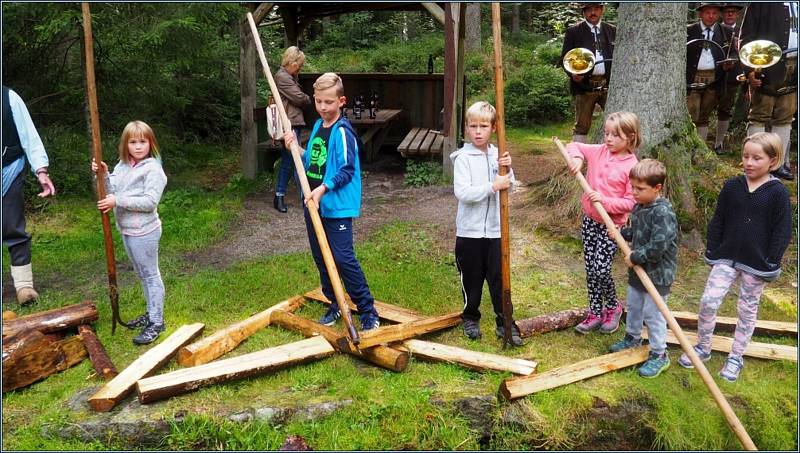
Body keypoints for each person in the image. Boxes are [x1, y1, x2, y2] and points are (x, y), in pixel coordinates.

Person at [677, 132, 792, 382]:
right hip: (725, 257)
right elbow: (718, 219)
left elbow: (782, 230)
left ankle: (736, 356)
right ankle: (703, 347)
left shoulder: (777, 193)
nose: (749, 162)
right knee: (708, 301)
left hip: (757, 263)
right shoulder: (732, 187)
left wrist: (772, 261)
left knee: (747, 310)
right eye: (745, 156)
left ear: (772, 161)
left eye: (757, 158)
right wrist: (713, 248)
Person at [283, 73, 380, 331]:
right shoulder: (317, 127)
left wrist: (323, 189)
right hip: (313, 203)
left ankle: (368, 310)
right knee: (321, 256)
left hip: (335, 205)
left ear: (341, 101)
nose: (323, 107)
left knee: (342, 257)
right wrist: (295, 148)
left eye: (328, 102)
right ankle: (335, 301)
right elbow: (313, 163)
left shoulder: (343, 132)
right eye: (318, 102)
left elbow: (347, 170)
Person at [449, 101, 523, 347]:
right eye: (473, 126)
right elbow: (463, 192)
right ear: (466, 129)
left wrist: (508, 169)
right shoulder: (463, 158)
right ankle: (470, 317)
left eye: (483, 126)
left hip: (495, 230)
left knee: (499, 278)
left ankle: (505, 322)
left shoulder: (497, 154)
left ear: (493, 127)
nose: (478, 131)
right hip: (470, 233)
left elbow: (510, 185)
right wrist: (493, 186)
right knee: (471, 278)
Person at [91, 121, 168, 345]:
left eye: (142, 141)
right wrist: (104, 174)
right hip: (127, 229)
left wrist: (118, 201)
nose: (137, 146)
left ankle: (157, 321)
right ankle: (151, 311)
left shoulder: (153, 169)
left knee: (151, 275)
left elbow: (150, 201)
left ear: (151, 143)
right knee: (142, 274)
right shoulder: (123, 166)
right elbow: (110, 189)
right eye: (133, 142)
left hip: (144, 231)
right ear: (125, 145)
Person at [566, 111, 640, 335]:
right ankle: (595, 312)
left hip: (612, 227)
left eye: (615, 135)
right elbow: (573, 146)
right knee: (590, 269)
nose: (608, 139)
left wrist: (605, 202)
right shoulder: (599, 151)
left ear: (630, 137)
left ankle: (613, 307)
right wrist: (578, 159)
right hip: (590, 221)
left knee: (601, 269)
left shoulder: (632, 166)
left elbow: (630, 202)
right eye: (607, 133)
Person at [608, 159, 678, 379]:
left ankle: (659, 353)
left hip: (657, 274)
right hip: (639, 272)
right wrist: (623, 234)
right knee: (634, 305)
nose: (634, 193)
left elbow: (658, 246)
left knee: (653, 313)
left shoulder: (663, 213)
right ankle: (632, 338)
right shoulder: (639, 207)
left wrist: (636, 256)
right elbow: (639, 233)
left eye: (640, 189)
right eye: (632, 187)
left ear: (657, 188)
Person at [2, 86, 56, 304]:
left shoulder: (9, 97)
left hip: (8, 170)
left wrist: (41, 171)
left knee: (12, 226)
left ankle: (24, 286)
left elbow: (29, 136)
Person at [740, 2, 798, 180]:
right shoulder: (761, 4)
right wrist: (750, 71)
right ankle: (754, 164)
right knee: (759, 115)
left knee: (785, 116)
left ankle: (778, 165)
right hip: (766, 69)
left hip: (794, 69)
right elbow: (747, 39)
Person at [560, 2, 616, 143]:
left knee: (617, 122)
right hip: (584, 87)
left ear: (602, 10)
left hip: (609, 86)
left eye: (596, 8)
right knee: (582, 126)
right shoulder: (574, 31)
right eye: (589, 9)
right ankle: (577, 161)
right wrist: (573, 75)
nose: (593, 12)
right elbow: (565, 59)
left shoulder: (612, 30)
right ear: (583, 12)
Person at [686, 3, 735, 143]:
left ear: (719, 15)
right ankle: (689, 147)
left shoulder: (726, 31)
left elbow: (732, 52)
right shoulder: (689, 30)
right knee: (691, 115)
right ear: (700, 14)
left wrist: (729, 63)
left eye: (714, 13)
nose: (711, 16)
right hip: (692, 80)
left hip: (714, 80)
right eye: (707, 13)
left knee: (704, 116)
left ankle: (701, 148)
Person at [273, 46, 312, 213]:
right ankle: (304, 196)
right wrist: (308, 98)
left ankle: (282, 196)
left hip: (292, 122)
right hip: (289, 123)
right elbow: (299, 98)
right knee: (295, 161)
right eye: (299, 64)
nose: (300, 68)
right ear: (292, 62)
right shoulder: (283, 77)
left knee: (290, 161)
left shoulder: (288, 76)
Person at [713, 2, 745, 155]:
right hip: (714, 76)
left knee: (725, 109)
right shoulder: (715, 29)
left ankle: (719, 143)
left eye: (733, 12)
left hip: (733, 77)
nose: (730, 15)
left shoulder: (743, 32)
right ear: (722, 14)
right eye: (727, 12)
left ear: (738, 15)